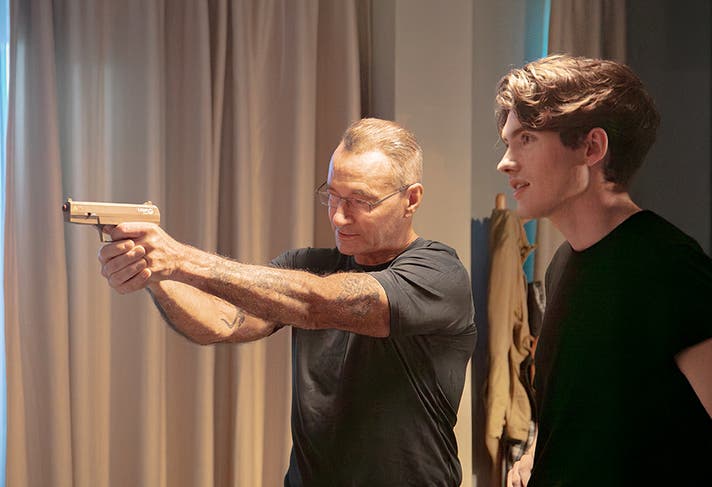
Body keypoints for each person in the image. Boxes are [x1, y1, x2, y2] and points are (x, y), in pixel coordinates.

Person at [98, 117, 477, 486]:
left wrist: (180, 258)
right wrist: (155, 272)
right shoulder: (306, 265)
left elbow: (320, 304)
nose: (338, 217)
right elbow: (221, 321)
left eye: (360, 201)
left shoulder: (439, 274)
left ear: (411, 199)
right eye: (332, 196)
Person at [494, 54, 712, 486]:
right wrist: (537, 455)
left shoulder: (668, 267)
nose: (505, 162)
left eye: (526, 139)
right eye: (507, 142)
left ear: (592, 148)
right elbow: (586, 415)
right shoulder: (562, 265)